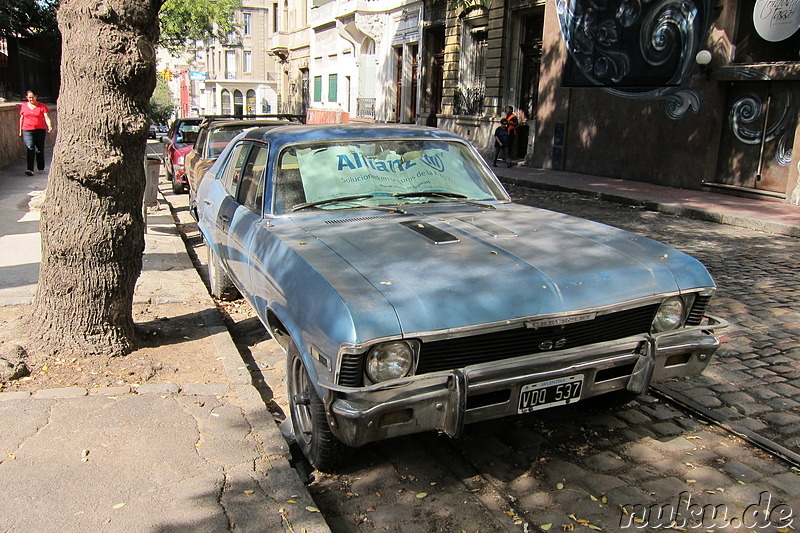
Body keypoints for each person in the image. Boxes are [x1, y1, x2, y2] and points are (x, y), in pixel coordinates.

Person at [18, 90, 53, 176]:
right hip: (27, 129)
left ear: (36, 97)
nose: (31, 99)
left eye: (32, 97)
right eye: (29, 97)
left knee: (39, 149)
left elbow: (46, 117)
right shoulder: (24, 106)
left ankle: (41, 168)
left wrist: (49, 126)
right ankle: (30, 169)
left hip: (40, 129)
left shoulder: (42, 106)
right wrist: (20, 130)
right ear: (26, 97)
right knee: (30, 147)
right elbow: (21, 118)